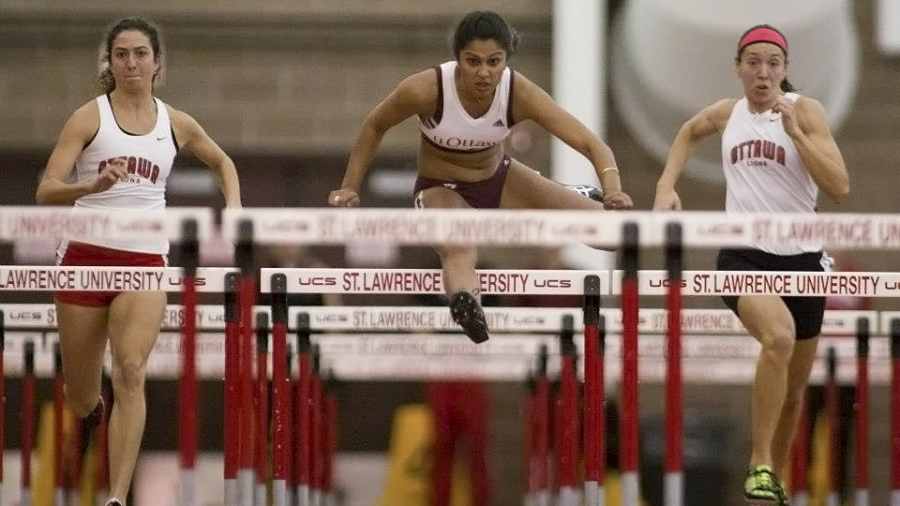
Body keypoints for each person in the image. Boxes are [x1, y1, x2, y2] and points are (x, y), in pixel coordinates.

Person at [35, 17, 242, 506]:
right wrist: (91, 187)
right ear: (110, 63)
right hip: (84, 255)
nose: (131, 62)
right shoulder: (89, 117)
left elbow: (223, 162)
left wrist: (233, 207)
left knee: (130, 368)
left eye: (140, 53)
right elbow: (45, 191)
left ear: (157, 63)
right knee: (81, 398)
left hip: (145, 258)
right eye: (122, 54)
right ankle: (94, 407)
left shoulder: (176, 123)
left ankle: (117, 497)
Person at [328, 10, 632, 344]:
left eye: (493, 62)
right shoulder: (426, 89)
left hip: (499, 179)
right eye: (472, 61)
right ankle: (467, 304)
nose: (484, 73)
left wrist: (613, 188)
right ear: (457, 58)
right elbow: (375, 125)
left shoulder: (519, 93)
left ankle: (575, 194)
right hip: (440, 189)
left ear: (506, 60)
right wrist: (349, 187)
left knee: (611, 235)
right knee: (458, 249)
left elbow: (589, 142)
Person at [653, 24, 849, 506]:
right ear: (739, 67)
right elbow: (686, 133)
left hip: (803, 260)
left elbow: (839, 184)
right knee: (778, 337)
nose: (763, 74)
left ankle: (771, 482)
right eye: (754, 63)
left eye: (773, 64)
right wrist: (665, 186)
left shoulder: (807, 112)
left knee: (795, 391)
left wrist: (797, 134)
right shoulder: (726, 114)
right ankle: (758, 461)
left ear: (785, 70)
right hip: (742, 255)